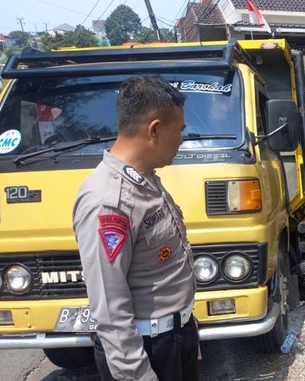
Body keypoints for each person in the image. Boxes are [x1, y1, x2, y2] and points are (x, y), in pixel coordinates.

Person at [73, 76, 199, 381]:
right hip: (147, 353)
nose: (182, 140)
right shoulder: (108, 201)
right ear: (154, 130)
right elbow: (110, 309)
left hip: (174, 340)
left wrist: (187, 330)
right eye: (179, 131)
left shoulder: (145, 180)